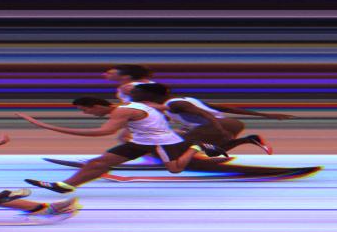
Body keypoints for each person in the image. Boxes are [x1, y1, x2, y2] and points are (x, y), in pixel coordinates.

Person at [18, 97, 227, 194]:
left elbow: (103, 132)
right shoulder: (130, 104)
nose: (87, 114)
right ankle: (65, 186)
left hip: (162, 142)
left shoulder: (121, 111)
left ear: (97, 106)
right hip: (141, 141)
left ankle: (195, 147)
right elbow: (160, 108)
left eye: (86, 110)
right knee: (99, 162)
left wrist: (48, 127)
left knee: (175, 169)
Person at [129, 83, 293, 155]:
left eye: (136, 93)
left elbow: (205, 114)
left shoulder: (175, 104)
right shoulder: (185, 99)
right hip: (232, 123)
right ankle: (250, 139)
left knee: (175, 147)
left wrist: (219, 130)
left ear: (150, 94)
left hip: (217, 125)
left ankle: (174, 162)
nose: (133, 95)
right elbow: (224, 108)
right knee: (213, 151)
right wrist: (265, 115)